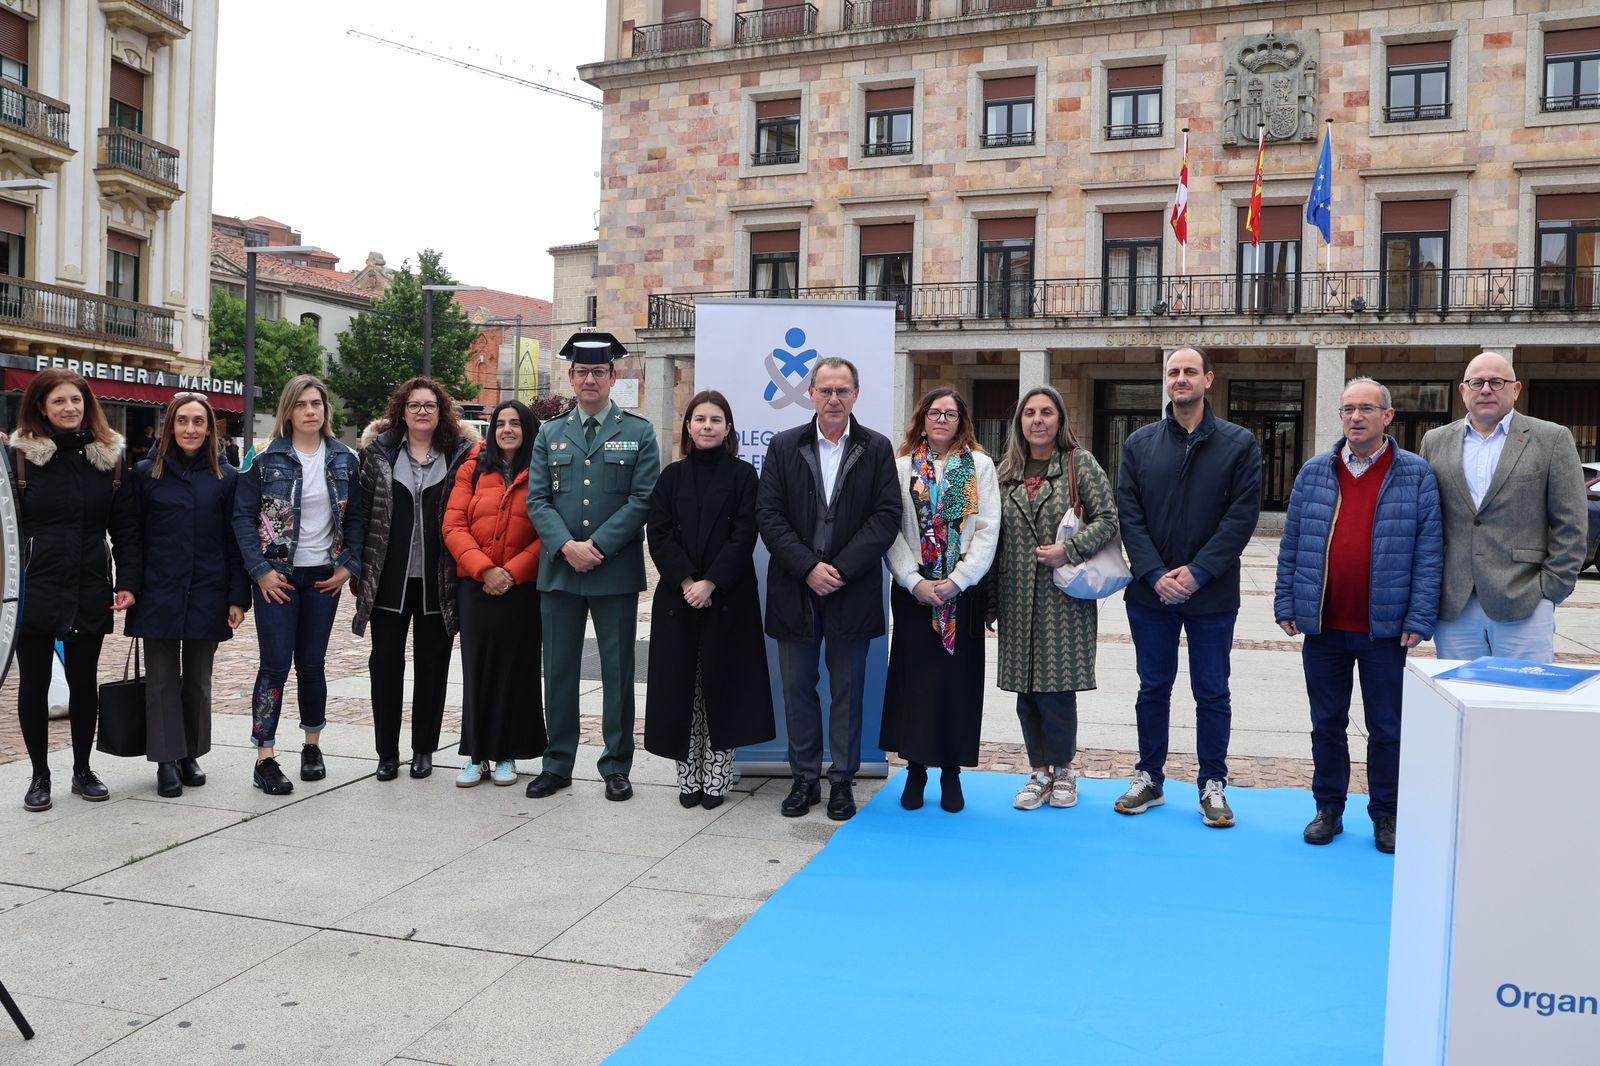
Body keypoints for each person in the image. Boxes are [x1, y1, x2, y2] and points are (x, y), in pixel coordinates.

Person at [1275, 378, 1443, 854]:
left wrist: (1419, 615)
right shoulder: (1314, 471)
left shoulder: (1415, 474)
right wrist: (1286, 601)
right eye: (1348, 409)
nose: (1355, 417)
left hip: (1384, 631)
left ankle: (1386, 814)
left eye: (1366, 409)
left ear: (1387, 416)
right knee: (1326, 723)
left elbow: (1429, 552)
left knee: (1387, 727)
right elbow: (1293, 543)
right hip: (1325, 626)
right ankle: (1328, 807)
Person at [1116, 347, 1262, 828]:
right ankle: (1149, 777)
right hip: (1150, 595)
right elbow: (1129, 517)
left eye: (1189, 372)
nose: (1181, 379)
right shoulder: (1139, 444)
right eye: (1173, 372)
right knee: (1152, 687)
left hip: (1212, 595)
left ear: (1208, 380)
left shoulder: (1239, 444)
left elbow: (1240, 518)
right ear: (1166, 382)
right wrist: (1156, 573)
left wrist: (1198, 572)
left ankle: (1211, 783)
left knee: (1212, 691)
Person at [756, 356, 900, 821]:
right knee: (798, 688)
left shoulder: (876, 448)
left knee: (848, 690)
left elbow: (886, 517)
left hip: (851, 589)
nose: (834, 399)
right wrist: (807, 568)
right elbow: (769, 515)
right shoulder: (784, 445)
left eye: (843, 391)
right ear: (811, 394)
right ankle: (804, 779)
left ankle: (841, 781)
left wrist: (837, 568)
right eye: (826, 390)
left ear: (856, 395)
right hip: (795, 588)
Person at [525, 332, 660, 802]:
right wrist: (567, 547)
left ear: (612, 377)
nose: (589, 380)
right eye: (581, 372)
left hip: (614, 568)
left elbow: (643, 500)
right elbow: (537, 500)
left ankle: (616, 765)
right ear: (570, 377)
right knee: (558, 668)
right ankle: (557, 762)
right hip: (561, 571)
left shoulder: (639, 432)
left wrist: (596, 545)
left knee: (618, 670)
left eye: (598, 372)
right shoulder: (548, 433)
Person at [7, 369, 140, 812]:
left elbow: (125, 528)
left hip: (89, 581)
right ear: (41, 407)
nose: (69, 408)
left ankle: (82, 770)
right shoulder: (19, 458)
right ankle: (39, 775)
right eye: (59, 401)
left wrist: (127, 583)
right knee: (35, 682)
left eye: (77, 400)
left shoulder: (108, 458)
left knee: (85, 682)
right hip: (35, 582)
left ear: (88, 405)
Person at [232, 374, 363, 796]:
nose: (311, 411)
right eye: (302, 404)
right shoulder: (264, 456)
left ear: (325, 411)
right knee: (274, 664)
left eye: (317, 404)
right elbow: (242, 517)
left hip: (323, 577)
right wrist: (259, 570)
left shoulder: (345, 458)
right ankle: (264, 758)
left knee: (312, 664)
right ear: (288, 410)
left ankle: (312, 746)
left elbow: (358, 517)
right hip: (277, 577)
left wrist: (348, 565)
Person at [988, 386, 1117, 812]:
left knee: (1057, 690)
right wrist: (990, 598)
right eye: (1029, 413)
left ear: (1060, 420)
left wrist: (1071, 549)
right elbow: (991, 538)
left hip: (1064, 597)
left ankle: (1064, 769)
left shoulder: (1079, 464)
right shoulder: (1005, 471)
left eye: (1046, 412)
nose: (1038, 420)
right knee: (1026, 690)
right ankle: (1038, 769)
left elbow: (1108, 518)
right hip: (1017, 595)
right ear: (1019, 422)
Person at [644, 391, 774, 809]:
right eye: (699, 419)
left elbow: (744, 536)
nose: (706, 426)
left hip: (727, 599)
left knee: (723, 686)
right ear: (688, 426)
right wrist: (686, 581)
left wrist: (710, 583)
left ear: (728, 428)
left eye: (716, 420)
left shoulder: (742, 477)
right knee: (684, 688)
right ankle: (688, 778)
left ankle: (717, 778)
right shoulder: (671, 477)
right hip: (678, 600)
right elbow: (658, 532)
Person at [1419, 351, 1587, 663]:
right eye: (1477, 382)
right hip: (1455, 604)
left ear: (1516, 389)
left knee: (1523, 702)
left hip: (1524, 600)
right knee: (1463, 701)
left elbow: (1571, 523)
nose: (1486, 389)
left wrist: (1550, 590)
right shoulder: (1435, 441)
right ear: (1463, 390)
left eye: (1497, 382)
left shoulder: (1551, 439)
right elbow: (1426, 521)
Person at [881, 388, 999, 814]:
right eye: (935, 413)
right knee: (916, 682)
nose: (942, 419)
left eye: (950, 413)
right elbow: (890, 529)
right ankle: (915, 770)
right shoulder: (901, 468)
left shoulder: (979, 466)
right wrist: (914, 581)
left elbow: (987, 529)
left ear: (961, 420)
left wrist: (959, 579)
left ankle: (951, 771)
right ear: (923, 419)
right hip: (915, 593)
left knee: (957, 683)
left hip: (960, 594)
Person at [354, 377, 477, 781]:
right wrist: (358, 569)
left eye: (430, 405)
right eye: (414, 405)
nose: (422, 411)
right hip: (389, 579)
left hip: (439, 580)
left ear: (441, 412)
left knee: (433, 666)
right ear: (401, 411)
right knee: (385, 666)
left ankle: (423, 749)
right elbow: (362, 513)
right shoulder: (379, 454)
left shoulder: (460, 455)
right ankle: (386, 753)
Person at [128, 394, 251, 798]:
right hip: (158, 592)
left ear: (211, 429)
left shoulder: (226, 478)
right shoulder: (146, 474)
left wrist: (237, 596)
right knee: (161, 680)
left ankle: (190, 753)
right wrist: (128, 585)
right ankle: (166, 758)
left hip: (208, 591)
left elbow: (237, 542)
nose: (191, 429)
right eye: (183, 421)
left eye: (199, 422)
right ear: (170, 427)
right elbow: (131, 538)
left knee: (198, 679)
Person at [442, 399, 547, 787]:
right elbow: (453, 525)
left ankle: (506, 753)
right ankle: (477, 754)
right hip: (476, 585)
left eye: (515, 423)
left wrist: (512, 572)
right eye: (500, 423)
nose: (507, 430)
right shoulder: (471, 469)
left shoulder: (542, 470)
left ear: (527, 429)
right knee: (478, 669)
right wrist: (484, 569)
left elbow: (547, 531)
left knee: (515, 670)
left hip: (522, 588)